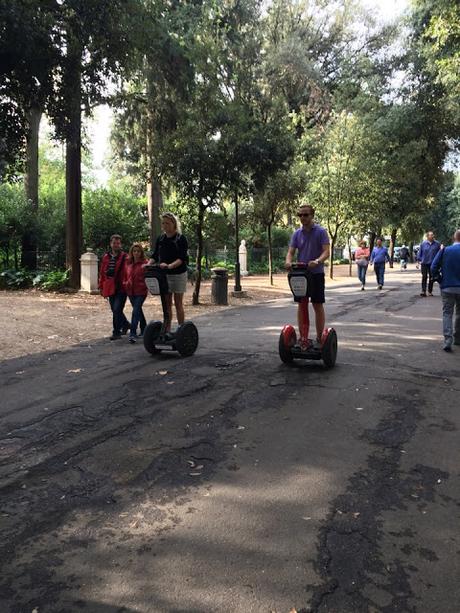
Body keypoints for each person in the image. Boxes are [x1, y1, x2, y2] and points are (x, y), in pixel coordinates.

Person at [285, 203, 330, 348]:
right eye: (300, 215)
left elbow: (326, 252)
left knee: (317, 304)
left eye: (305, 215)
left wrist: (317, 261)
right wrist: (288, 262)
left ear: (312, 215)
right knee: (302, 304)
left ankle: (319, 338)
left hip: (316, 273)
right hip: (301, 274)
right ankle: (303, 337)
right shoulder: (297, 234)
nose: (302, 217)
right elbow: (291, 252)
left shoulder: (321, 232)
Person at [149, 212, 189, 332]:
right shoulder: (161, 239)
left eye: (167, 223)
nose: (165, 225)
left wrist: (170, 266)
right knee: (167, 304)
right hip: (164, 275)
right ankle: (167, 330)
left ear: (174, 224)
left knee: (178, 303)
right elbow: (155, 255)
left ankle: (182, 330)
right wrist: (148, 264)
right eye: (163, 223)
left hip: (178, 274)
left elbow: (182, 258)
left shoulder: (180, 238)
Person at [431, 230, 460, 352]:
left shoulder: (445, 250)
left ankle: (448, 341)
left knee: (447, 313)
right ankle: (458, 338)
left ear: (454, 237)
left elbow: (433, 267)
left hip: (447, 286)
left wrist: (439, 279)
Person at [99, 234, 130, 340]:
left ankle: (116, 332)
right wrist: (101, 286)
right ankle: (125, 324)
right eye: (114, 243)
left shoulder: (125, 257)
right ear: (110, 244)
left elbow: (129, 271)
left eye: (118, 243)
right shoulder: (106, 257)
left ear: (120, 244)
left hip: (121, 287)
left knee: (117, 309)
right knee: (114, 309)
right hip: (110, 286)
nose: (116, 245)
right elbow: (102, 273)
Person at [123, 243, 149, 344]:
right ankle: (144, 329)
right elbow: (125, 276)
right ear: (132, 252)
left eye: (138, 251)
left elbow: (148, 277)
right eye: (134, 251)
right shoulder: (128, 263)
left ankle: (132, 333)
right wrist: (125, 283)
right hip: (130, 291)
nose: (136, 253)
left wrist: (144, 286)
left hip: (141, 292)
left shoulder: (145, 263)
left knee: (135, 311)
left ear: (141, 252)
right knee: (138, 311)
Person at [417, 231, 441, 297]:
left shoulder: (437, 244)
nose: (432, 236)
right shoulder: (423, 244)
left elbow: (440, 253)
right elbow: (420, 253)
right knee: (424, 276)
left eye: (433, 235)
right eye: (431, 235)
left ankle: (430, 291)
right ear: (427, 236)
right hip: (424, 263)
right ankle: (423, 291)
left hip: (433, 264)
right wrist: (419, 261)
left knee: (431, 277)